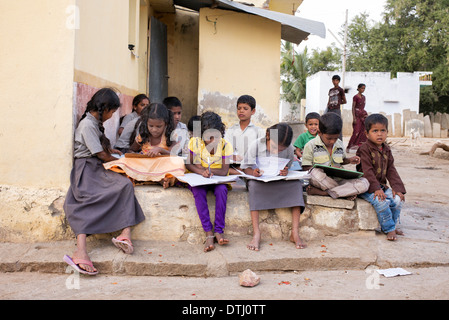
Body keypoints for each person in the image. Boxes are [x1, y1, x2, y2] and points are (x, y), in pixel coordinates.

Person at [63, 88, 145, 275]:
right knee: (89, 198)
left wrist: (114, 153)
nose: (112, 116)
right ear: (105, 109)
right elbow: (99, 154)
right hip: (87, 170)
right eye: (112, 112)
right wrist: (121, 161)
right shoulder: (87, 125)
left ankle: (125, 233)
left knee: (124, 185)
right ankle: (81, 251)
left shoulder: (94, 122)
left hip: (96, 167)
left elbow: (102, 149)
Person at [240, 123, 306, 251]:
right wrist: (253, 172)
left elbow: (288, 166)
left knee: (297, 185)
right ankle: (256, 233)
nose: (277, 151)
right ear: (268, 136)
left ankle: (295, 232)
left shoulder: (289, 148)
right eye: (275, 147)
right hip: (259, 180)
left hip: (277, 180)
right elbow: (245, 168)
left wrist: (285, 171)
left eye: (281, 150)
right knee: (253, 186)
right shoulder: (256, 145)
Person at [104, 103, 185, 188]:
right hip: (145, 164)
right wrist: (139, 156)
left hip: (161, 166)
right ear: (146, 123)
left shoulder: (171, 135)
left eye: (159, 126)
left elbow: (173, 155)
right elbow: (131, 150)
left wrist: (160, 150)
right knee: (123, 161)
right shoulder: (143, 136)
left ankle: (146, 178)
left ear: (166, 124)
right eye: (151, 126)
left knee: (178, 162)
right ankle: (157, 179)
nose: (154, 130)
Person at [185, 111, 233, 252]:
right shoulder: (195, 142)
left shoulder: (225, 146)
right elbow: (189, 164)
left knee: (222, 190)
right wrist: (201, 172)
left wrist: (208, 170)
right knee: (198, 192)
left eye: (215, 137)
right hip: (199, 179)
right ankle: (208, 232)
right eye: (208, 138)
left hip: (217, 179)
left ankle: (219, 230)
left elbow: (224, 171)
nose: (212, 141)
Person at [356, 114, 406, 241]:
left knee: (397, 200)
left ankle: (391, 226)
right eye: (375, 131)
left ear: (387, 132)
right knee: (381, 203)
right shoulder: (364, 149)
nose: (379, 134)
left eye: (382, 130)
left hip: (381, 187)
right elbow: (367, 171)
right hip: (367, 187)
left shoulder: (387, 149)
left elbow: (391, 170)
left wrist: (397, 188)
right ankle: (389, 229)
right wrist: (376, 188)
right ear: (367, 134)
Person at [301, 112, 369, 200]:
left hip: (339, 180)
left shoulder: (340, 144)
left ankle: (326, 193)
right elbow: (306, 167)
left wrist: (349, 160)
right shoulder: (310, 145)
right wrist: (323, 169)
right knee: (314, 173)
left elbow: (342, 160)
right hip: (321, 180)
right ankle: (344, 192)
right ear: (319, 133)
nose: (332, 141)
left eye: (335, 138)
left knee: (364, 183)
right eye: (329, 138)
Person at [224, 95, 264, 173]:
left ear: (253, 111)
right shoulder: (231, 130)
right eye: (239, 108)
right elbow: (227, 150)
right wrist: (233, 156)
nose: (241, 111)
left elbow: (261, 153)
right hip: (234, 166)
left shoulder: (258, 131)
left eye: (245, 109)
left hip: (252, 167)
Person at [347, 84, 368, 152]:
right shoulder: (355, 97)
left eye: (364, 88)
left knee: (363, 131)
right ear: (358, 88)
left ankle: (359, 146)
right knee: (356, 131)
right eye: (362, 88)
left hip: (363, 116)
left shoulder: (364, 97)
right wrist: (354, 118)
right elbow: (353, 107)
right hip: (357, 116)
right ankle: (349, 146)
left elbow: (363, 107)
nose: (363, 90)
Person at [326, 75, 346, 141]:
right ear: (332, 81)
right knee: (329, 125)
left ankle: (339, 141)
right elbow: (329, 100)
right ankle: (329, 140)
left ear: (339, 81)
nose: (335, 82)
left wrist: (337, 103)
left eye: (337, 80)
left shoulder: (340, 90)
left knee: (337, 125)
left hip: (336, 110)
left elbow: (344, 101)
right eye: (334, 80)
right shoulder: (330, 90)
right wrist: (328, 106)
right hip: (329, 110)